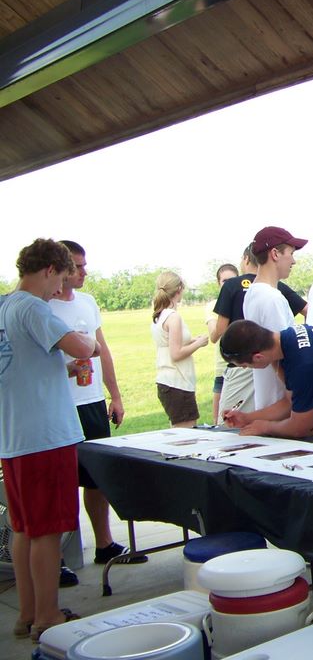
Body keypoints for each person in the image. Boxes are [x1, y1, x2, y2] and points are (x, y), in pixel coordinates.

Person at [1, 239, 98, 641]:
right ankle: (47, 616)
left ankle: (26, 613)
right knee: (49, 530)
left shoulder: (5, 307)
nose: (60, 289)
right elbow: (82, 345)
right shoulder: (33, 307)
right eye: (61, 277)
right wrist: (89, 341)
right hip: (46, 437)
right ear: (48, 270)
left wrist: (63, 370)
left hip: (15, 436)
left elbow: (24, 366)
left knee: (24, 528)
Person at [49, 240, 146, 574]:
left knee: (96, 478)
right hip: (61, 405)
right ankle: (57, 557)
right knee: (62, 482)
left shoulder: (87, 303)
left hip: (91, 401)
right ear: (59, 269)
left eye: (84, 265)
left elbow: (102, 350)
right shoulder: (43, 307)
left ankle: (105, 544)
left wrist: (114, 396)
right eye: (76, 266)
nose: (84, 272)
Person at [209, 244, 306, 419]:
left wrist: (212, 334)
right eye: (291, 254)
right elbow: (307, 310)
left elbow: (221, 329)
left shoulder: (233, 286)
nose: (293, 260)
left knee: (227, 424)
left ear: (246, 259)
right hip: (272, 371)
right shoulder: (277, 288)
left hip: (243, 365)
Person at [242, 227, 307, 414]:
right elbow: (280, 353)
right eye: (291, 253)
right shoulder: (272, 298)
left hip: (268, 397)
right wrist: (298, 394)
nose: (293, 261)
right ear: (275, 254)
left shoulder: (252, 293)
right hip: (281, 402)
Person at [150, 272, 208, 428]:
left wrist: (191, 340)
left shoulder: (160, 315)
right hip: (177, 382)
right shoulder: (173, 317)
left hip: (167, 381)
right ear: (179, 289)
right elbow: (176, 354)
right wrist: (199, 343)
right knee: (186, 433)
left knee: (178, 430)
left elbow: (169, 342)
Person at [206, 263, 238, 423]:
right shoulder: (213, 305)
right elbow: (214, 336)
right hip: (222, 367)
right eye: (224, 281)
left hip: (240, 366)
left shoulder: (243, 299)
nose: (228, 284)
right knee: (219, 419)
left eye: (232, 280)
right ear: (218, 283)